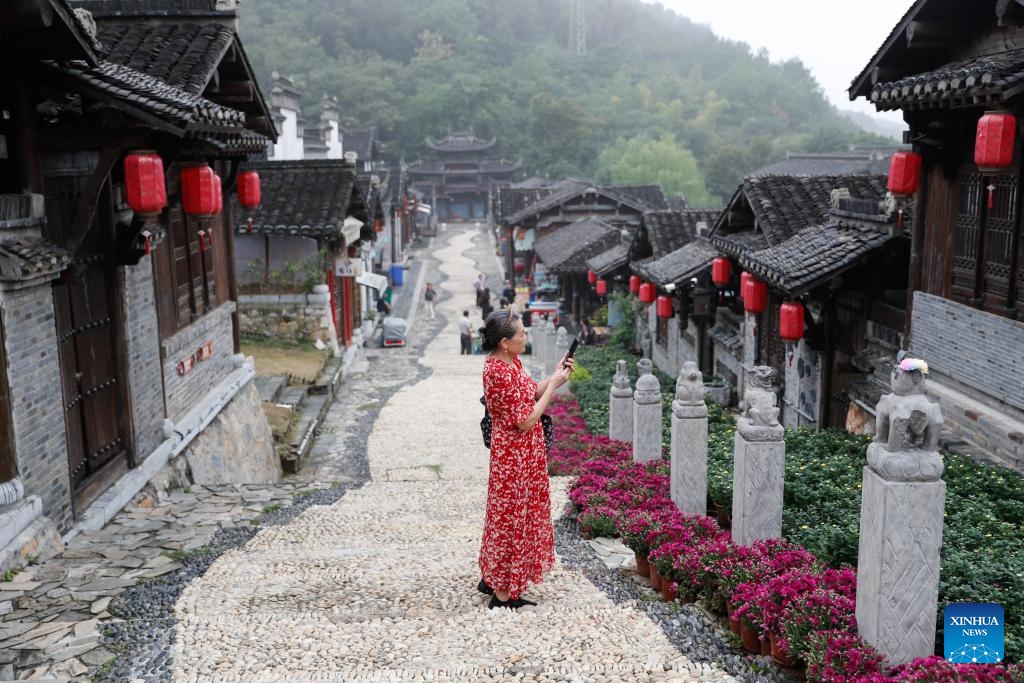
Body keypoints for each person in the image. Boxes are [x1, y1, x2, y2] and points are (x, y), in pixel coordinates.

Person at [478, 309, 573, 609]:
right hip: (513, 456)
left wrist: (554, 375)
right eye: (521, 334)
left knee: (513, 515)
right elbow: (524, 421)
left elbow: (530, 392)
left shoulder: (511, 361)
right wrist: (555, 388)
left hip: (524, 454)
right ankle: (503, 594)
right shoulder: (497, 370)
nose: (525, 337)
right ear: (505, 342)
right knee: (510, 518)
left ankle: (495, 577)